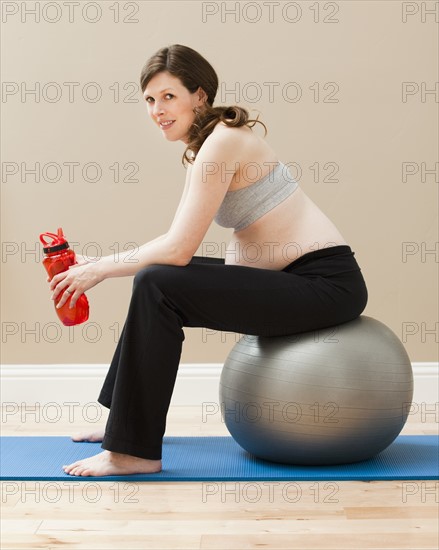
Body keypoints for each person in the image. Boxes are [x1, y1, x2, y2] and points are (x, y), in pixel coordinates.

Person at [52, 44, 368, 477]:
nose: (157, 110)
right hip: (291, 280)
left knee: (156, 283)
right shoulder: (209, 146)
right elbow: (170, 244)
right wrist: (98, 261)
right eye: (149, 100)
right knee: (155, 276)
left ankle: (133, 451)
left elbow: (178, 248)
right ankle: (121, 424)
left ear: (199, 95)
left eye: (168, 96)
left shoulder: (222, 144)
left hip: (325, 285)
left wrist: (101, 269)